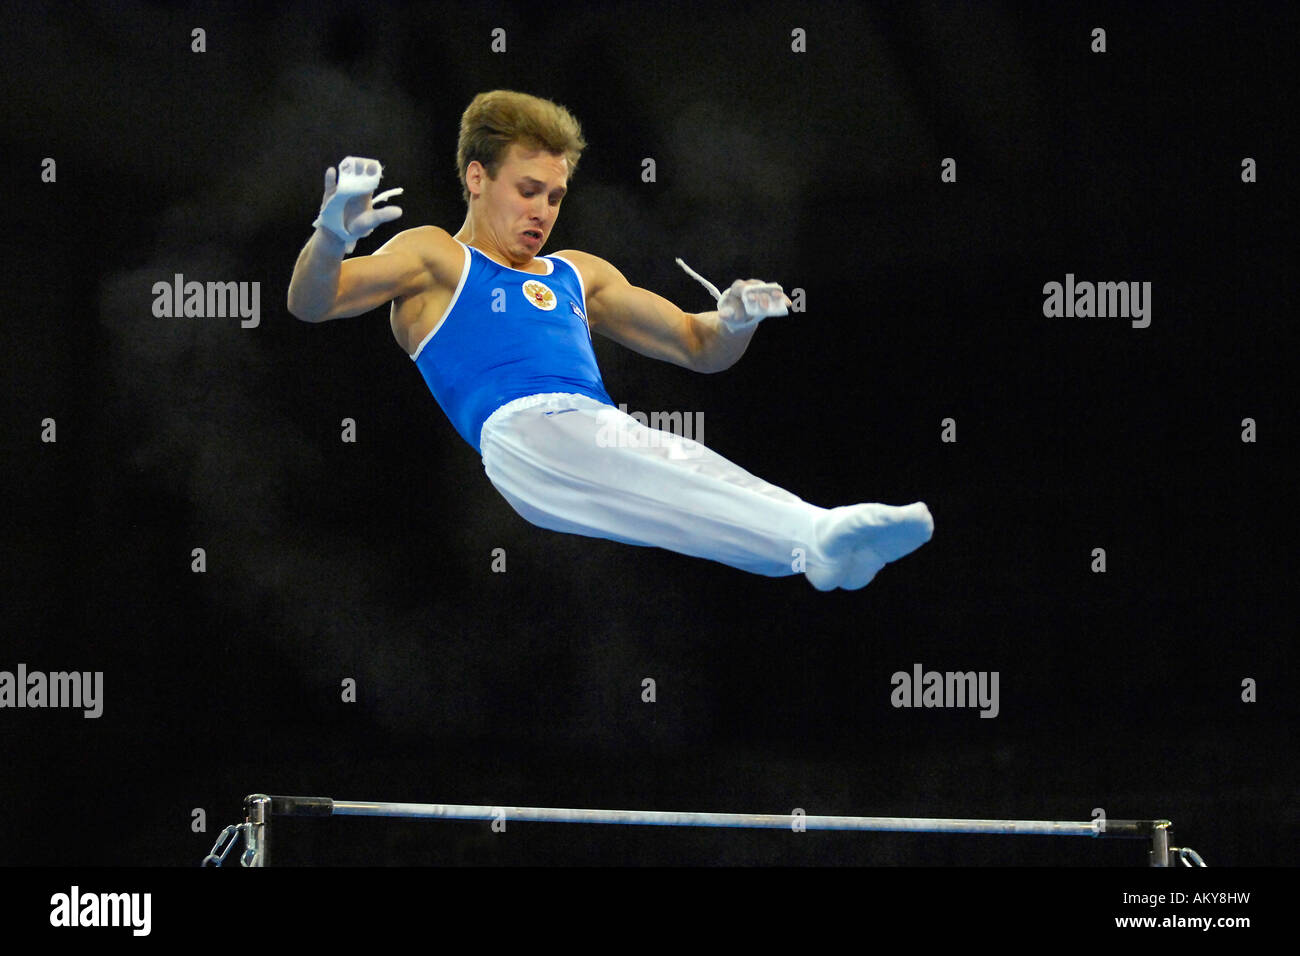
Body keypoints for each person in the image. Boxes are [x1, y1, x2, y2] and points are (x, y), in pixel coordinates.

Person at [287, 90, 932, 590]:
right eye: (528, 190)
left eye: (557, 196)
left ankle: (816, 546)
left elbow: (696, 345)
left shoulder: (579, 274)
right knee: (652, 462)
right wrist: (331, 238)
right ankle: (817, 539)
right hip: (522, 439)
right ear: (477, 178)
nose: (543, 210)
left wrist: (733, 319)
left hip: (591, 429)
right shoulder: (434, 257)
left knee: (687, 472)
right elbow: (312, 303)